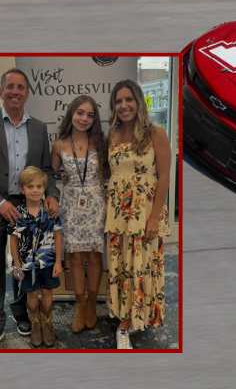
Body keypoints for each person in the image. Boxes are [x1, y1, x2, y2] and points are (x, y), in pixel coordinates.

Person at [0, 68, 59, 349]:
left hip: (29, 210)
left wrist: (50, 193)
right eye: (10, 87)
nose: (15, 91)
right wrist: (0, 202)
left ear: (27, 94)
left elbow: (45, 170)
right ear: (1, 92)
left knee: (25, 264)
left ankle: (21, 313)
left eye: (20, 87)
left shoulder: (39, 128)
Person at [105, 80, 171, 349]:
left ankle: (128, 324)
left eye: (128, 99)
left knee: (141, 264)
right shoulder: (112, 132)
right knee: (121, 265)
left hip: (144, 211)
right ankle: (124, 315)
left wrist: (154, 217)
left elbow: (164, 177)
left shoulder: (156, 132)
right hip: (118, 212)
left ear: (139, 101)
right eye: (118, 101)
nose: (123, 106)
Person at [51, 95, 109, 333]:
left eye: (90, 114)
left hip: (96, 202)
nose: (84, 119)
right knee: (75, 257)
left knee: (94, 257)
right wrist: (61, 179)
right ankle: (80, 305)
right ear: (71, 114)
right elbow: (50, 173)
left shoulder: (101, 141)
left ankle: (93, 305)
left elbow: (109, 172)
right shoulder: (59, 144)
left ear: (94, 119)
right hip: (72, 203)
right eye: (80, 113)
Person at [8, 167, 63, 347]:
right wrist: (17, 265)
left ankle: (47, 325)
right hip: (27, 265)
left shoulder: (50, 212)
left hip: (47, 262)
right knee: (31, 293)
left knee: (47, 291)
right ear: (22, 189)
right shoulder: (17, 214)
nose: (35, 190)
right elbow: (14, 241)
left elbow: (58, 236)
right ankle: (36, 324)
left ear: (44, 188)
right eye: (30, 186)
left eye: (39, 186)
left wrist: (58, 262)